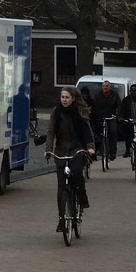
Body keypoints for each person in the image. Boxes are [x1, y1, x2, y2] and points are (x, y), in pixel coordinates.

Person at [45, 86, 95, 232]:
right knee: (61, 188)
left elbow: (87, 131)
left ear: (73, 98)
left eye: (67, 97)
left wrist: (90, 147)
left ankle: (82, 195)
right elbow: (51, 132)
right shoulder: (57, 112)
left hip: (77, 149)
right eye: (62, 97)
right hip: (61, 150)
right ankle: (62, 219)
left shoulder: (80, 112)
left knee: (76, 171)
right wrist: (48, 149)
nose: (64, 100)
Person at [92, 79, 121, 160]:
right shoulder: (98, 95)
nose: (105, 87)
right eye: (104, 86)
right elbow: (95, 106)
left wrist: (117, 115)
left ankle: (112, 152)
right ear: (102, 87)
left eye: (107, 86)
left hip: (111, 116)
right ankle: (100, 149)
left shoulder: (115, 95)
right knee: (98, 131)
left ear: (109, 87)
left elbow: (119, 105)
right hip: (101, 117)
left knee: (113, 131)